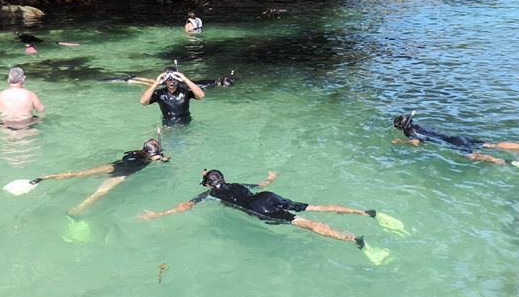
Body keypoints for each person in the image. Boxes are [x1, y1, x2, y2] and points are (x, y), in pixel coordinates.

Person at [139, 169, 385, 258]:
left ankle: (354, 239)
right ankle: (364, 212)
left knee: (306, 223)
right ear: (222, 178)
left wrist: (159, 214)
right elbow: (262, 186)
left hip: (260, 209)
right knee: (314, 207)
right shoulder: (237, 184)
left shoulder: (211, 195)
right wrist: (270, 178)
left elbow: (186, 206)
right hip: (267, 197)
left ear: (207, 185)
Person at [30, 139, 169, 216]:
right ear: (151, 154)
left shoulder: (135, 153)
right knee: (98, 194)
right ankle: (74, 212)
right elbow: (162, 160)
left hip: (112, 166)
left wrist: (158, 156)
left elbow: (127, 158)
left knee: (80, 173)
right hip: (121, 175)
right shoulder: (150, 159)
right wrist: (160, 158)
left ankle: (43, 178)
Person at [392, 113, 519, 165]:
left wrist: (401, 142)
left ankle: (504, 162)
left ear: (401, 128)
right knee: (491, 145)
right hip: (457, 138)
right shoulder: (419, 126)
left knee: (473, 156)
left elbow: (417, 143)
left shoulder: (410, 132)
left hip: (452, 144)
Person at [139, 67, 205, 124]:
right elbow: (143, 102)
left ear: (177, 79)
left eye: (174, 79)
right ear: (164, 80)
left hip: (185, 125)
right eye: (168, 79)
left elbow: (201, 96)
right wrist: (156, 83)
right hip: (168, 126)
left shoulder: (185, 91)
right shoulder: (159, 93)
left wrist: (185, 79)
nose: (171, 81)